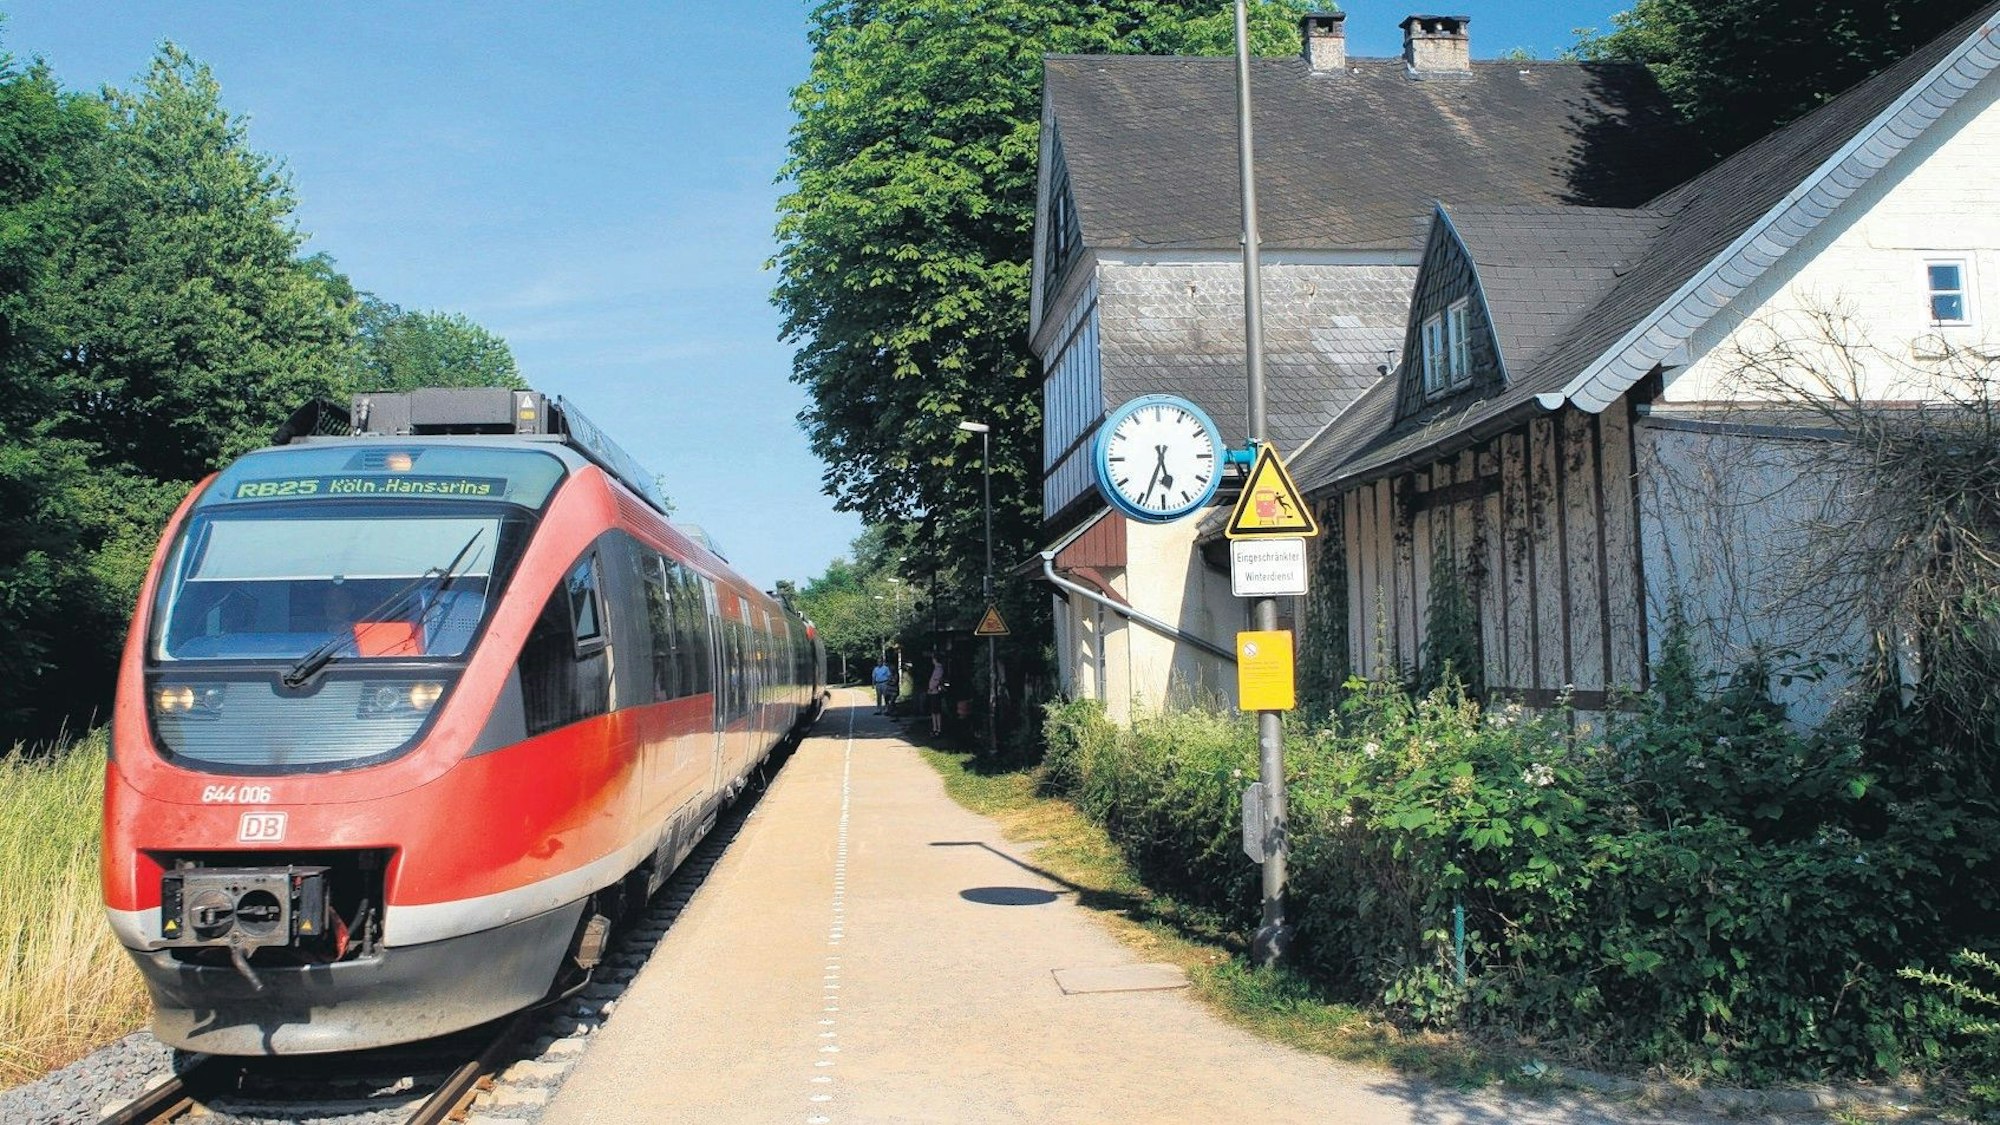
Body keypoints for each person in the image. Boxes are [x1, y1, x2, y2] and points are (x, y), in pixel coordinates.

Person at [927, 654, 946, 737]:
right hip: (933, 692)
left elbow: (937, 680)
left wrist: (931, 687)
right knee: (934, 712)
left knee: (936, 712)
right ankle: (935, 728)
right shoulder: (936, 669)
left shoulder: (938, 669)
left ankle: (938, 729)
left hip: (935, 692)